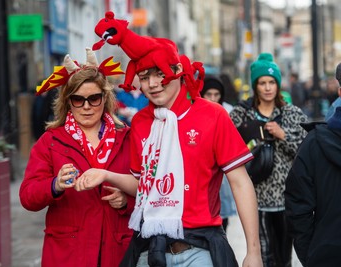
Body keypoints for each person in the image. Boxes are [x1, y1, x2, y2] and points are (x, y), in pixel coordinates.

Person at [73, 11, 263, 267]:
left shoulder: (213, 115)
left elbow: (240, 182)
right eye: (144, 77)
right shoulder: (140, 122)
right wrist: (106, 175)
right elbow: (144, 185)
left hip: (199, 248)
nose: (152, 84)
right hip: (151, 248)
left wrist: (253, 251)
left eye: (158, 73)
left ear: (178, 70)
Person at [19, 48, 134, 267]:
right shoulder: (51, 141)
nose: (87, 107)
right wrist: (55, 185)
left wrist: (126, 201)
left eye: (94, 98)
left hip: (118, 252)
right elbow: (27, 196)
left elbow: (149, 190)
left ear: (105, 98)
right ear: (68, 102)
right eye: (78, 100)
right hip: (69, 254)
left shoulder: (127, 138)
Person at [230, 52, 308, 267]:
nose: (267, 87)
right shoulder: (241, 114)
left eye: (272, 82)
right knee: (263, 256)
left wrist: (282, 135)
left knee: (284, 258)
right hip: (255, 197)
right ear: (255, 85)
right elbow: (228, 149)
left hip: (286, 197)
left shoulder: (292, 113)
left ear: (278, 85)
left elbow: (307, 149)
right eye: (262, 82)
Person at [285, 108, 341, 266]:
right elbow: (297, 205)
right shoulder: (314, 143)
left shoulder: (314, 142)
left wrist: (311, 254)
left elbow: (296, 205)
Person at [200, 75, 237, 232]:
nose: (213, 98)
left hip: (223, 169)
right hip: (203, 169)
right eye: (209, 94)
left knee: (223, 214)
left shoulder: (228, 111)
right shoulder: (196, 111)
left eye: (217, 95)